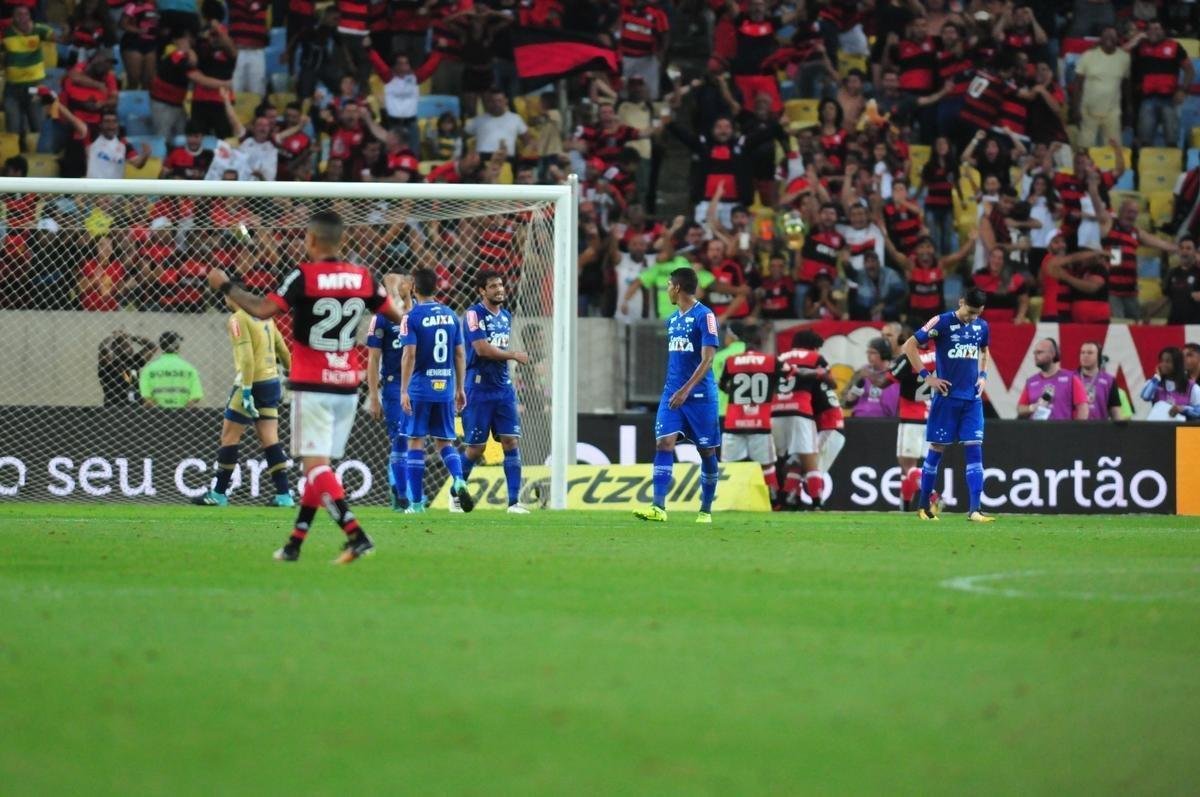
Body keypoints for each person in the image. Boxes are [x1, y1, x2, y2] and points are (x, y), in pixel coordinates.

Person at [207, 210, 399, 564]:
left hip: (312, 384)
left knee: (315, 469)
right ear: (342, 241)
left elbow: (263, 310)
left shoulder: (304, 276)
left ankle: (357, 535)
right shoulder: (364, 278)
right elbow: (396, 316)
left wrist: (225, 285)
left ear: (311, 240)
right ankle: (295, 543)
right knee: (319, 467)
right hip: (347, 384)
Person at [634, 266, 720, 523]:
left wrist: (686, 390)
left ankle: (705, 510)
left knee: (707, 452)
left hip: (700, 398)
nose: (667, 290)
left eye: (669, 285)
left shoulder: (705, 316)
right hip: (672, 395)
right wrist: (676, 390)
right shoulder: (672, 320)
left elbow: (708, 360)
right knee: (664, 443)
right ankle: (658, 507)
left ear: (678, 287)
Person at [193, 289, 295, 507]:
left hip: (251, 383)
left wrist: (246, 390)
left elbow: (247, 359)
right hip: (271, 383)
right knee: (270, 439)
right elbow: (284, 351)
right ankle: (284, 495)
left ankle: (218, 494)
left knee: (229, 437)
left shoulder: (238, 318)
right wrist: (295, 377)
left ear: (233, 298)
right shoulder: (266, 317)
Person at [900, 288, 994, 522]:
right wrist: (927, 376)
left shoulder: (982, 326)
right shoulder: (941, 322)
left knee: (975, 449)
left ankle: (975, 510)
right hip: (946, 400)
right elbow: (909, 346)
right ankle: (924, 507)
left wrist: (983, 376)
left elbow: (984, 351)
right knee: (937, 450)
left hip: (972, 400)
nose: (972, 317)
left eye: (977, 313)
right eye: (970, 312)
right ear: (961, 302)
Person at [399, 267, 474, 514]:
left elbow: (409, 354)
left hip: (420, 388)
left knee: (415, 442)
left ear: (414, 288)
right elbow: (460, 353)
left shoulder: (411, 317)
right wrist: (460, 387)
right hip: (446, 388)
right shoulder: (452, 315)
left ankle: (417, 504)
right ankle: (459, 479)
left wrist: (403, 390)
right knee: (445, 442)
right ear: (436, 288)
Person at [460, 271, 530, 514]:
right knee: (476, 449)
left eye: (500, 285)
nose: (499, 289)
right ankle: (456, 491)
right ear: (482, 290)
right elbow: (481, 349)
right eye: (492, 286)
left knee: (511, 441)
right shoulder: (473, 314)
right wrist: (513, 355)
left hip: (503, 389)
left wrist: (508, 357)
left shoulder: (507, 316)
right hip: (478, 389)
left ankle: (514, 502)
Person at [718, 327, 786, 505]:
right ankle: (773, 501)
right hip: (760, 422)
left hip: (734, 421)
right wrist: (769, 391)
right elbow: (787, 375)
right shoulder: (771, 361)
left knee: (729, 465)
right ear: (761, 344)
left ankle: (728, 500)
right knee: (767, 466)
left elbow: (722, 385)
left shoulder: (731, 360)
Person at [366, 273, 414, 512]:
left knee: (416, 440)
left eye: (404, 281)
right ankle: (400, 492)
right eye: (394, 283)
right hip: (394, 386)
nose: (399, 285)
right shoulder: (381, 319)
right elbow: (373, 360)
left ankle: (413, 494)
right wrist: (374, 396)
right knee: (400, 438)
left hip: (419, 385)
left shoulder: (420, 314)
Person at [774, 328, 829, 511]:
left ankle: (778, 501)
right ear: (812, 346)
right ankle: (817, 503)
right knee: (809, 459)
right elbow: (828, 379)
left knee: (779, 460)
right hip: (800, 411)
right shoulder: (814, 358)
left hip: (775, 412)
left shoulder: (780, 358)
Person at [890, 329, 937, 512]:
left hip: (910, 417)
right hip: (929, 416)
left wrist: (865, 376)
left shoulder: (909, 357)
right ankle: (906, 507)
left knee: (907, 465)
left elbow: (887, 380)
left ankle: (933, 495)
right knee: (912, 468)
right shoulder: (936, 355)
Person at [1071, 24, 1130, 148]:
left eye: (1112, 35)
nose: (1109, 38)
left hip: (1112, 112)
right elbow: (1077, 85)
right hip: (1088, 110)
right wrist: (1075, 109)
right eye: (1106, 35)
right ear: (1101, 39)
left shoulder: (1124, 58)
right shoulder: (1088, 55)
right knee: (1085, 148)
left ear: (1118, 39)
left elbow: (1125, 87)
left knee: (1113, 150)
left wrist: (1127, 110)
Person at [1017, 338, 1090, 421]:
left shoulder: (1071, 378)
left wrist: (1076, 431)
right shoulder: (1031, 382)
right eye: (1035, 352)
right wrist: (1033, 407)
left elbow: (1083, 409)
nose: (1035, 355)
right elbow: (1020, 409)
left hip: (1062, 432)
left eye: (1040, 352)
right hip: (1036, 432)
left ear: (1053, 354)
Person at [139, 331, 204, 409]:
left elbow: (147, 398)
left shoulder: (149, 370)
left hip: (157, 417)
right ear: (178, 346)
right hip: (183, 417)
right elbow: (196, 396)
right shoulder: (189, 369)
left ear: (161, 346)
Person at [98, 329, 157, 406]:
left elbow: (152, 346)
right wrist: (113, 337)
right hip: (114, 410)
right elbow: (104, 350)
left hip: (135, 410)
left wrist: (131, 336)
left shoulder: (133, 362)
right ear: (116, 348)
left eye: (130, 344)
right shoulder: (108, 366)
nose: (131, 347)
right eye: (126, 345)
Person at [1140, 346, 1200, 420]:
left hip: (1183, 430)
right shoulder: (1155, 382)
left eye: (1168, 361)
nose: (1163, 364)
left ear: (1177, 364)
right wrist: (1157, 377)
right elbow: (1145, 396)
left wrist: (1183, 409)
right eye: (1161, 361)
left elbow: (1198, 411)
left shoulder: (1192, 387)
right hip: (1159, 429)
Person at [1077, 341, 1126, 421]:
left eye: (1090, 353)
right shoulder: (1071, 378)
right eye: (1082, 352)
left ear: (1098, 357)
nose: (1085, 355)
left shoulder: (1109, 380)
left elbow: (1115, 412)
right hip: (1074, 430)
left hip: (1100, 430)